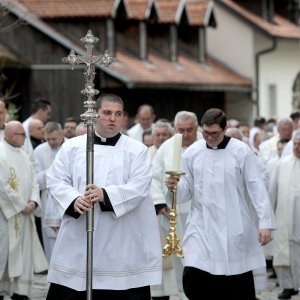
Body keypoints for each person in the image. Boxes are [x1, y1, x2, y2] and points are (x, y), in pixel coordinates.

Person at [45, 93, 162, 300]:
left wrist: (105, 194)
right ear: (95, 115)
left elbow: (140, 186)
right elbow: (56, 179)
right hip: (80, 234)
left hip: (120, 239)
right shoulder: (72, 147)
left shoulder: (136, 150)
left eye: (118, 114)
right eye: (107, 113)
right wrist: (73, 199)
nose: (112, 118)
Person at [165, 108, 276, 300]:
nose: (209, 137)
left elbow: (256, 187)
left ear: (224, 129)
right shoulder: (192, 153)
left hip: (234, 226)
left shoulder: (241, 151)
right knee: (194, 275)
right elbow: (185, 192)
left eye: (214, 133)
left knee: (234, 281)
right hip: (202, 225)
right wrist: (173, 187)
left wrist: (265, 223)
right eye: (206, 133)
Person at [151, 111, 199, 300]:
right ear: (174, 128)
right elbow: (154, 177)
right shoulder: (167, 147)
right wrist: (160, 203)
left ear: (197, 128)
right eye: (181, 130)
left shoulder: (205, 146)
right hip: (173, 213)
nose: (185, 135)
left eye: (190, 130)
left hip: (199, 213)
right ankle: (180, 293)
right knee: (178, 256)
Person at [0, 121, 48, 300]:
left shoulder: (24, 155)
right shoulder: (1, 153)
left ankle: (21, 293)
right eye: (22, 135)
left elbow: (34, 180)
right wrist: (22, 205)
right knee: (4, 254)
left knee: (24, 254)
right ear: (12, 135)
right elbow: (2, 186)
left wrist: (34, 202)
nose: (25, 138)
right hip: (7, 217)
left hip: (25, 217)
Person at [269, 130, 300, 300]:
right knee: (284, 250)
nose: (297, 148)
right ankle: (288, 286)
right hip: (284, 217)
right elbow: (272, 192)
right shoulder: (283, 164)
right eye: (295, 144)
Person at [34, 122, 66, 262]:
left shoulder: (72, 146)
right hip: (48, 198)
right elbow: (34, 179)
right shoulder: (39, 151)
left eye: (54, 139)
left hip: (67, 199)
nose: (51, 142)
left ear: (61, 134)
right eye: (48, 139)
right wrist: (53, 172)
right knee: (50, 239)